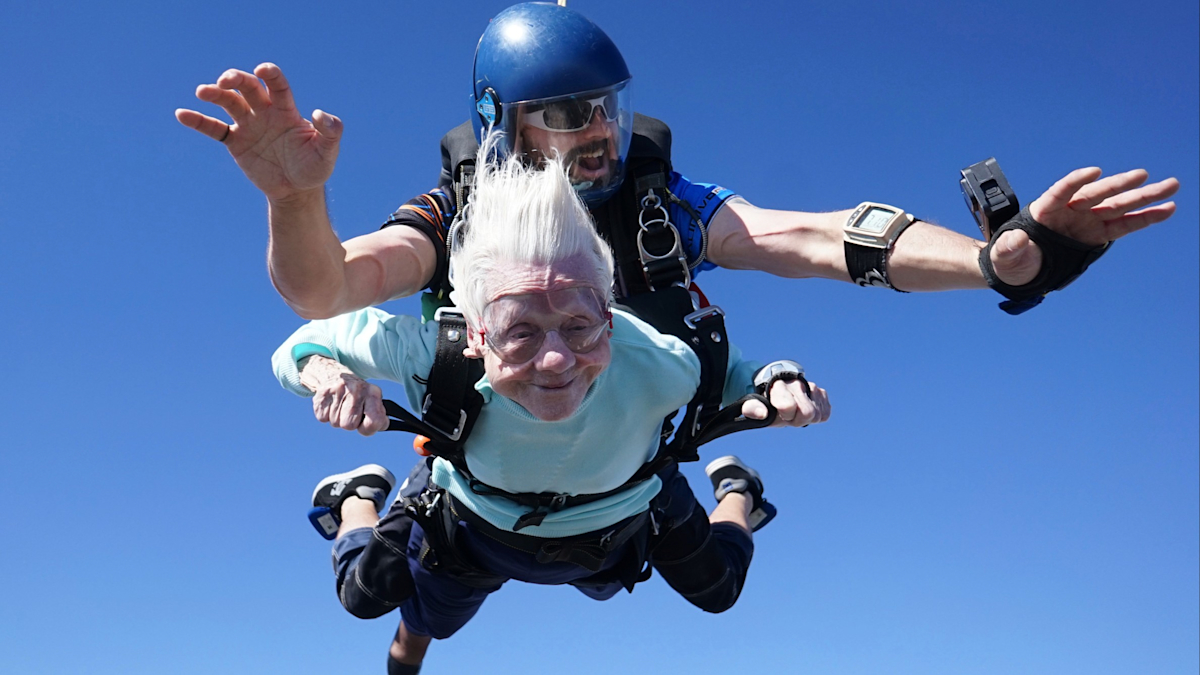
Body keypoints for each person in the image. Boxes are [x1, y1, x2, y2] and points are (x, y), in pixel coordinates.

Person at [176, 2, 1178, 323]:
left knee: (709, 584)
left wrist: (996, 262)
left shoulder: (664, 204)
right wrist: (296, 204)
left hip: (624, 473)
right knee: (433, 580)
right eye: (564, 115)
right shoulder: (459, 207)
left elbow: (822, 239)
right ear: (501, 126)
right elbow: (328, 289)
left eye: (604, 109)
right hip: (488, 468)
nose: (599, 134)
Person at [271, 147, 831, 673]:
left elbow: (733, 368)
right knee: (371, 600)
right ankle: (355, 499)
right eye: (519, 332)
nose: (557, 360)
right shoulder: (431, 351)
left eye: (580, 326)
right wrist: (331, 376)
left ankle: (739, 494)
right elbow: (299, 346)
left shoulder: (659, 359)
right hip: (474, 524)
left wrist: (779, 379)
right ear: (474, 336)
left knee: (719, 591)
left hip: (622, 517)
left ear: (610, 319)